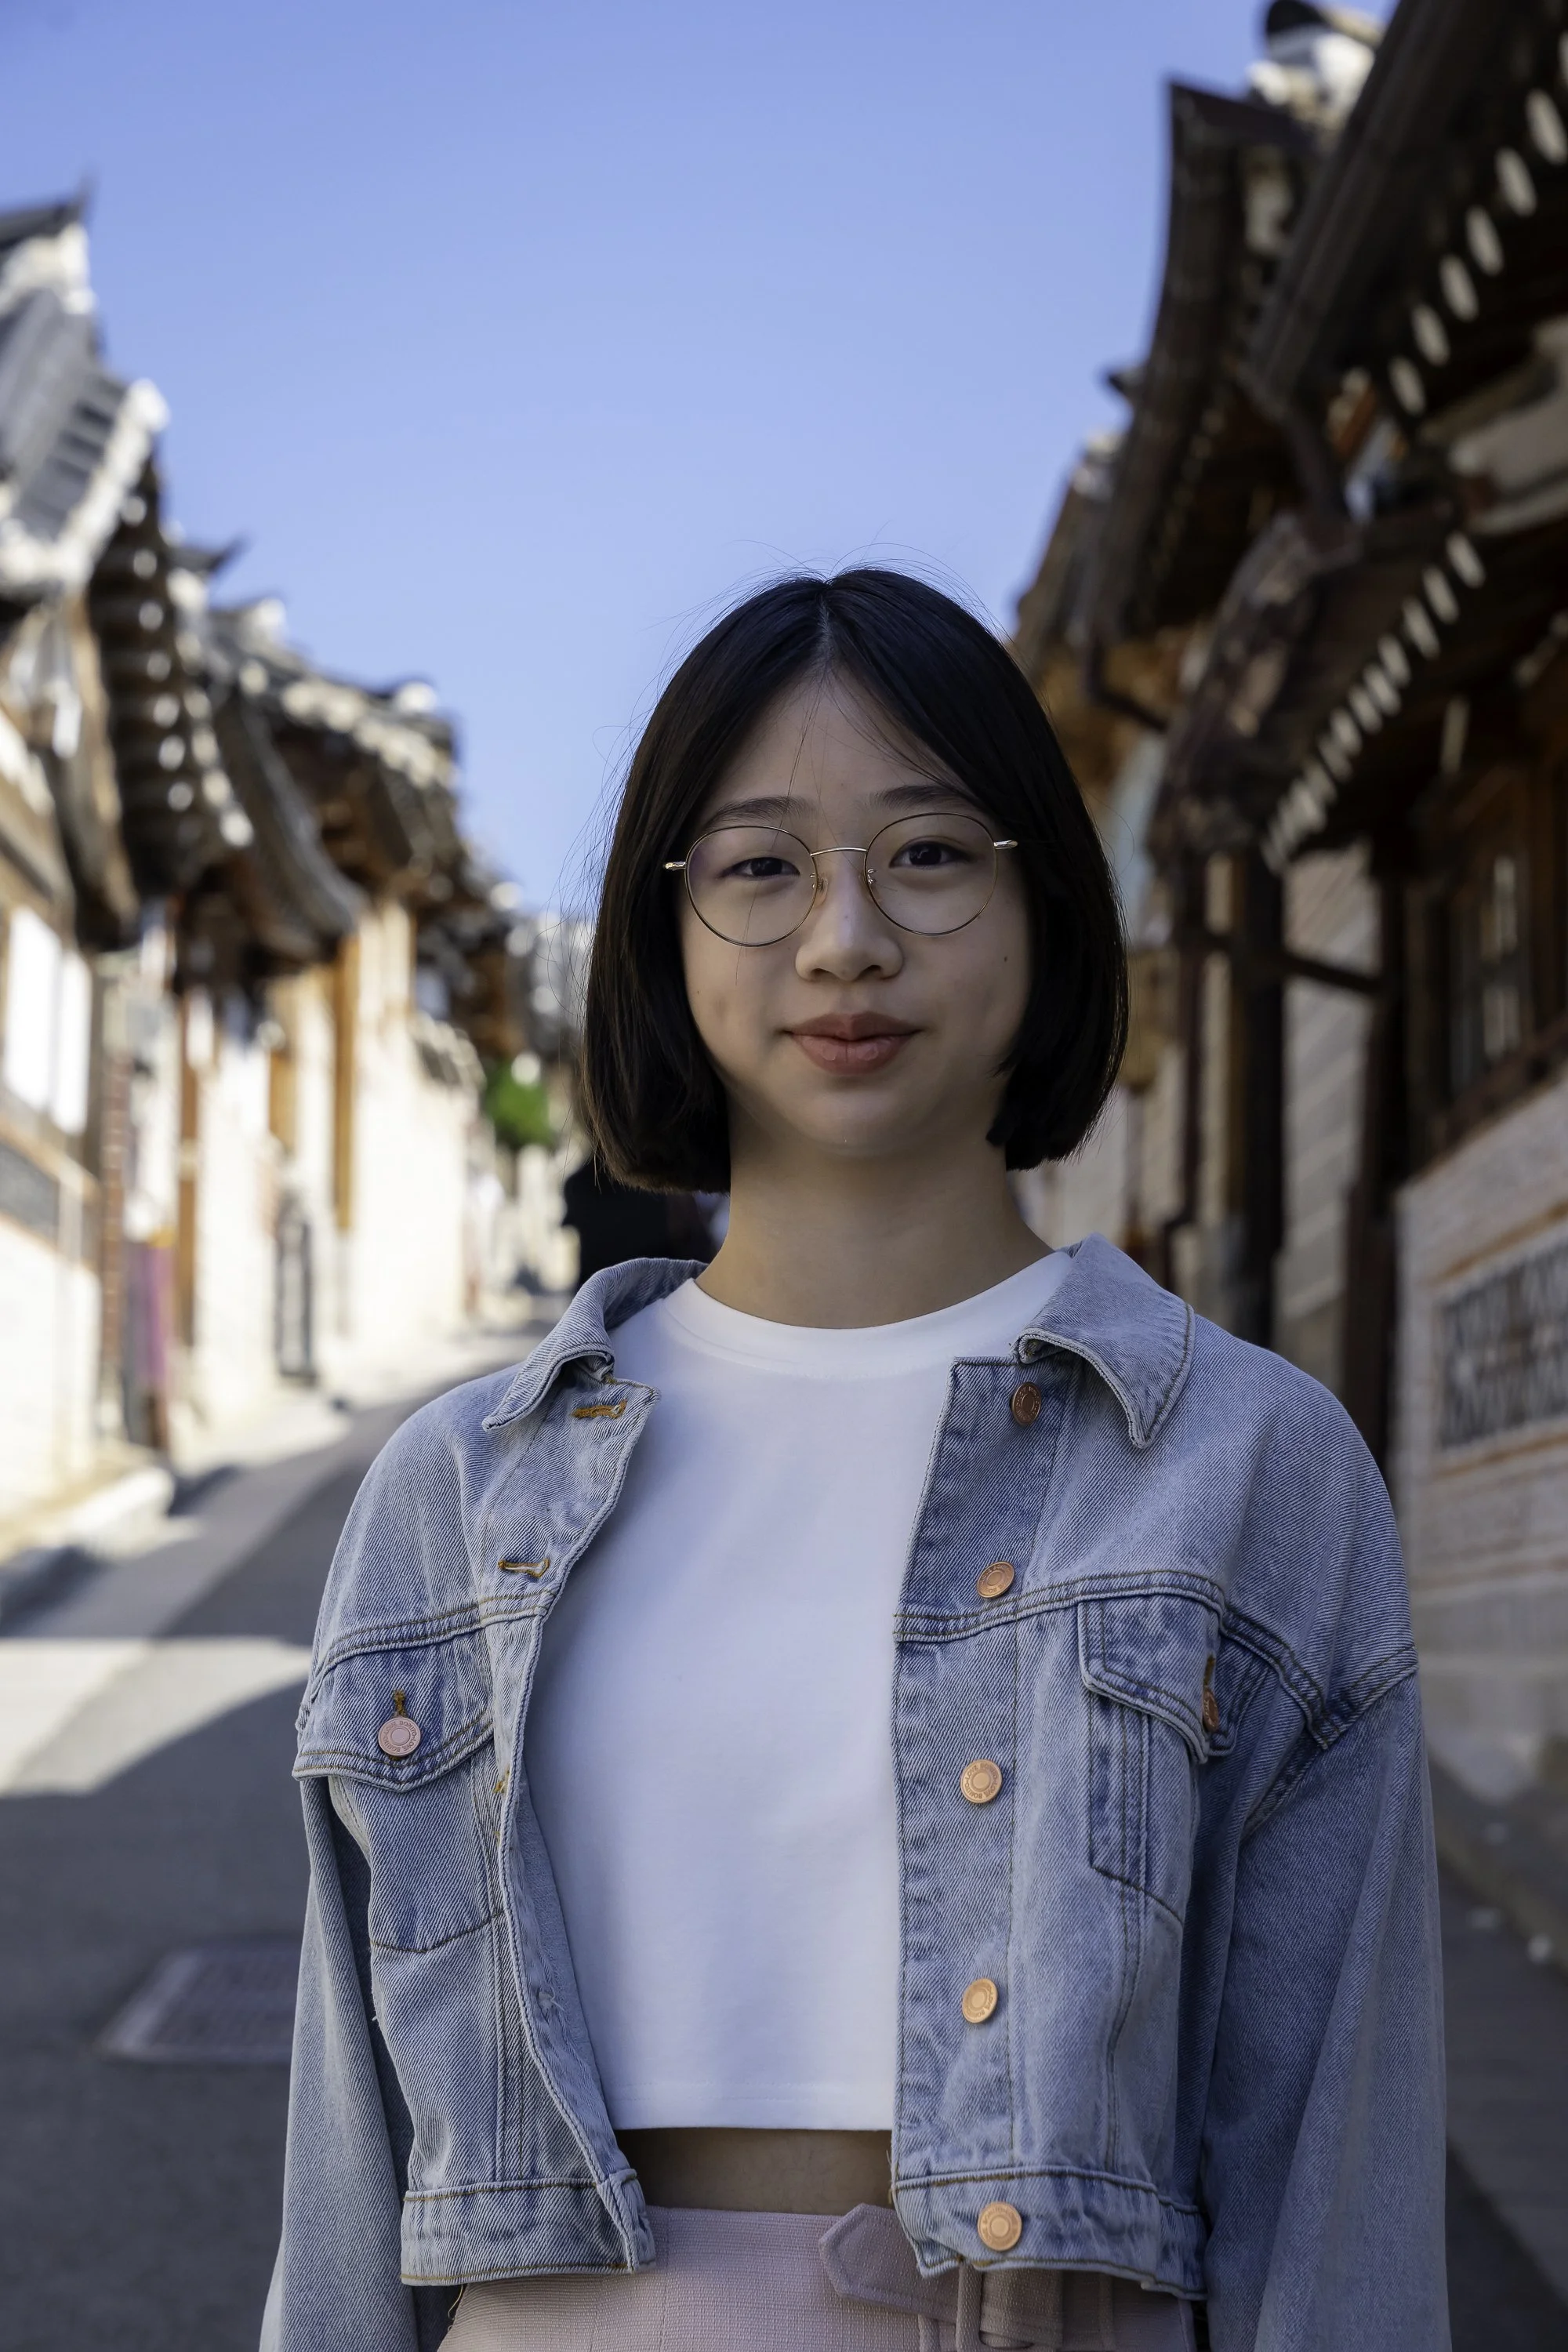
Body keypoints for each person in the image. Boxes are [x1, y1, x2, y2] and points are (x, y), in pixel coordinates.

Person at [263, 571, 1446, 2352]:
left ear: (1045, 902)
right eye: (759, 868)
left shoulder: (1243, 1464)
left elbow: (1332, 2192)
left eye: (928, 855)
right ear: (662, 934)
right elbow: (341, 2192)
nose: (843, 941)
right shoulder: (458, 1489)